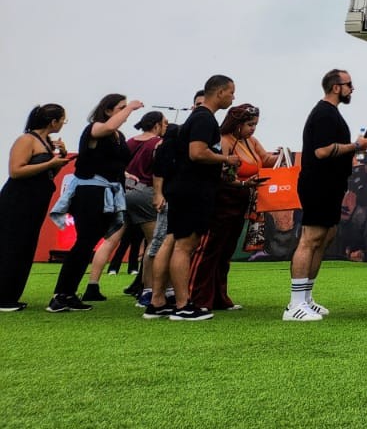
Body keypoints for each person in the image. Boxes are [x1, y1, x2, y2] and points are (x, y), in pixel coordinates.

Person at [286, 69, 367, 321]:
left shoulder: (331, 113)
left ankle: (306, 298)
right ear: (336, 87)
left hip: (331, 185)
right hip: (317, 184)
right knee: (310, 238)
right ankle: (295, 304)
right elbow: (322, 151)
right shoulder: (324, 113)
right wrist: (356, 146)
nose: (352, 89)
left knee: (324, 238)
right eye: (349, 84)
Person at [49, 93, 143, 313]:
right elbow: (107, 129)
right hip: (90, 193)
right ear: (108, 110)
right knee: (84, 243)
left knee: (88, 243)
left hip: (106, 192)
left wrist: (126, 174)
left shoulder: (117, 135)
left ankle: (68, 293)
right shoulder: (96, 129)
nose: (125, 112)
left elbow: (111, 160)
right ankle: (61, 294)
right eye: (120, 108)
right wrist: (130, 108)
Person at [165, 76, 240, 321]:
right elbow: (197, 153)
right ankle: (183, 304)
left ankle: (164, 301)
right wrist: (226, 160)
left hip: (187, 188)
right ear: (219, 93)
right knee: (185, 247)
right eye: (231, 92)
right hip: (192, 190)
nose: (232, 97)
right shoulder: (203, 118)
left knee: (179, 245)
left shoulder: (201, 118)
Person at [188, 103, 266, 313]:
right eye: (250, 124)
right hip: (221, 200)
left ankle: (219, 297)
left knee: (225, 251)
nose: (253, 128)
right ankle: (197, 298)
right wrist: (242, 184)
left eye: (255, 124)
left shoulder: (250, 141)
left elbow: (266, 159)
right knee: (209, 249)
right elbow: (221, 175)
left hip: (240, 201)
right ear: (237, 123)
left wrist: (284, 156)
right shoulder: (223, 141)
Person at [83, 110, 164, 302]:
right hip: (145, 192)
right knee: (153, 242)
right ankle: (147, 291)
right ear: (156, 125)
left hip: (123, 191)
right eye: (164, 123)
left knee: (111, 240)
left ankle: (92, 285)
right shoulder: (158, 144)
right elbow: (157, 171)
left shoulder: (130, 142)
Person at [0, 104, 71, 312]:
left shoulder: (47, 142)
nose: (63, 124)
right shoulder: (27, 140)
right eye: (62, 120)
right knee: (11, 246)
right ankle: (3, 297)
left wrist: (59, 160)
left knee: (25, 246)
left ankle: (11, 295)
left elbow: (48, 175)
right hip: (17, 200)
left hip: (36, 200)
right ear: (53, 122)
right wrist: (49, 164)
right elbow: (16, 171)